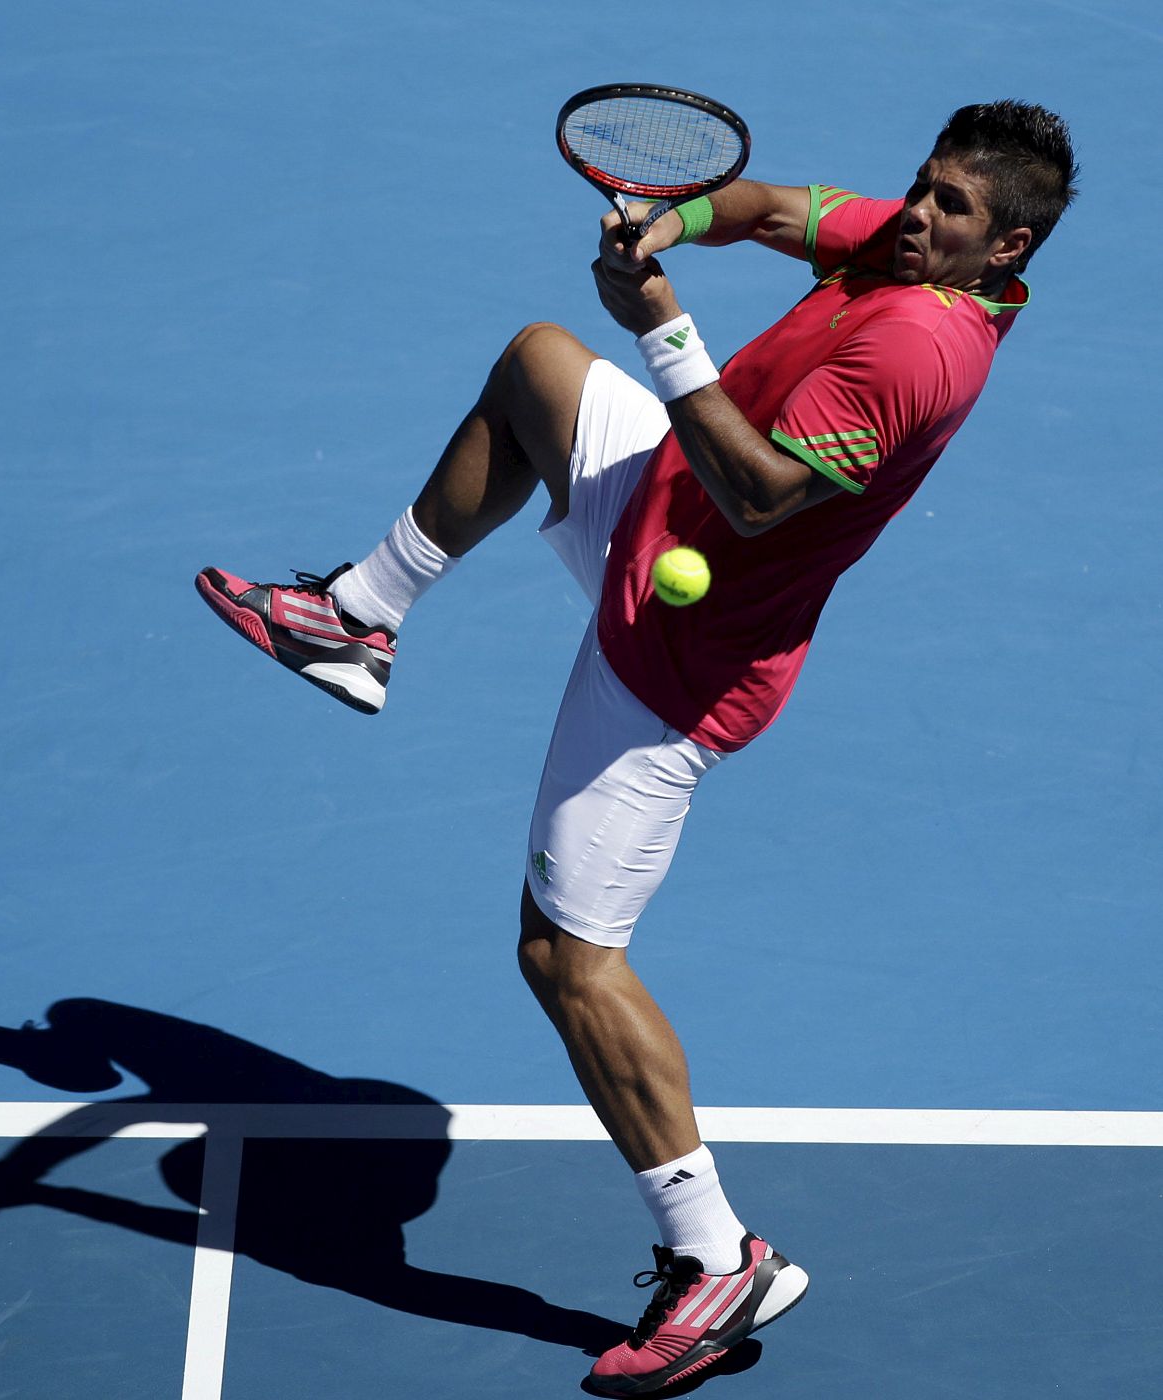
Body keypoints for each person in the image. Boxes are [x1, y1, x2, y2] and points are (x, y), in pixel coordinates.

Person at [195, 100, 1077, 1395]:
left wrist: (660, 322)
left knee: (565, 957)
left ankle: (715, 1253)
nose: (918, 215)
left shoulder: (916, 354)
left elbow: (759, 496)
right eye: (922, 186)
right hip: (656, 518)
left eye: (950, 210)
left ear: (1002, 253)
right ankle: (355, 618)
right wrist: (671, 221)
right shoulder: (903, 246)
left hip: (678, 658)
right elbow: (769, 208)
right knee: (539, 366)